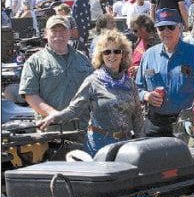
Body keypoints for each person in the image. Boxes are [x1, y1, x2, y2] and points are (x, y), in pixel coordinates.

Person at [37, 29, 144, 157]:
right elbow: (74, 110)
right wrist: (54, 117)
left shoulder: (129, 83)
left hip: (126, 145)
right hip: (100, 144)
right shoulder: (92, 81)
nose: (112, 55)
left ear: (123, 54)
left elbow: (137, 116)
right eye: (107, 52)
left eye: (116, 51)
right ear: (101, 55)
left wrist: (141, 143)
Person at [136, 8, 194, 137]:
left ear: (180, 28)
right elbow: (137, 88)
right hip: (155, 123)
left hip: (186, 123)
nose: (166, 32)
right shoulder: (148, 55)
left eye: (171, 27)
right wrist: (146, 96)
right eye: (161, 28)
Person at [19, 15, 93, 132]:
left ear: (70, 33)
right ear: (46, 34)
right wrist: (55, 114)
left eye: (63, 31)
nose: (58, 35)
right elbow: (30, 95)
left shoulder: (82, 59)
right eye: (54, 31)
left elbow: (93, 91)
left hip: (83, 128)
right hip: (51, 131)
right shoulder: (34, 62)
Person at [128, 14, 160, 79]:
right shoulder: (140, 39)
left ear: (144, 28)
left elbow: (160, 71)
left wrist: (141, 71)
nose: (134, 33)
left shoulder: (158, 45)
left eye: (135, 31)